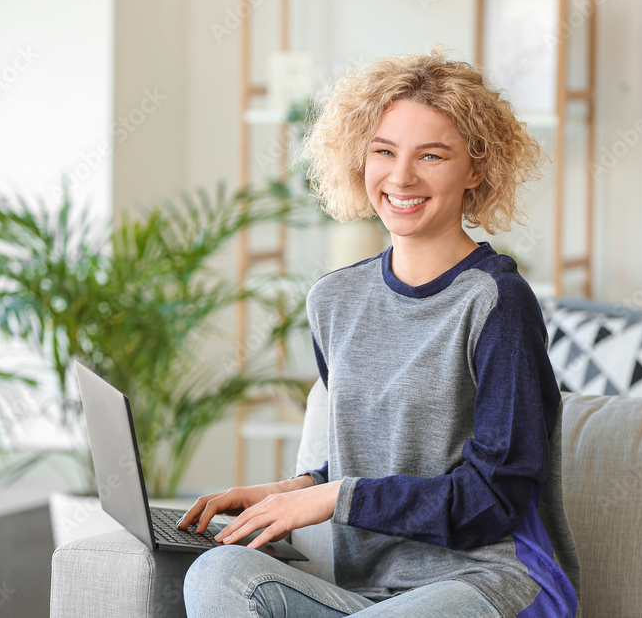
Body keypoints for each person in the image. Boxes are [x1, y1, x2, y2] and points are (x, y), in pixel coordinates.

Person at [179, 47, 580, 618]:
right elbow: (365, 456)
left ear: (476, 168)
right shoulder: (333, 301)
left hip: (488, 581)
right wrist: (289, 493)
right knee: (218, 573)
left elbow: (496, 498)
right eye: (383, 151)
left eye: (431, 155)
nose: (401, 176)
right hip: (367, 595)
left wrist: (333, 497)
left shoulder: (497, 303)